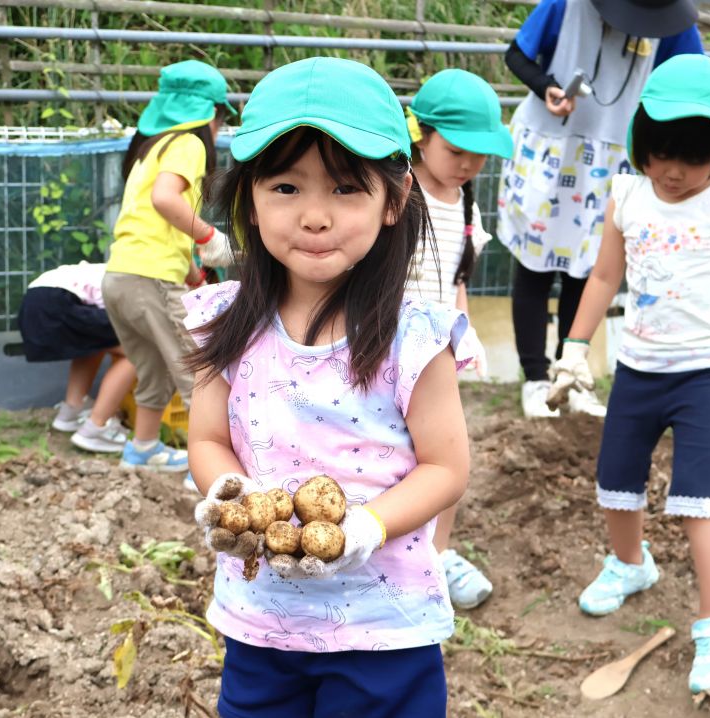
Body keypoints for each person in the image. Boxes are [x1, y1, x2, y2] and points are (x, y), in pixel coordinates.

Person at [184, 57, 472, 717]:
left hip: (384, 629)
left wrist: (365, 528)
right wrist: (236, 495)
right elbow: (205, 438)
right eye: (287, 187)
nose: (315, 216)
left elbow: (446, 467)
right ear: (249, 201)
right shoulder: (227, 324)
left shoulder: (413, 337)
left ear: (393, 200)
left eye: (345, 189)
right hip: (262, 622)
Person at [546, 55, 710, 694]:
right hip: (638, 367)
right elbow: (603, 277)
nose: (672, 171)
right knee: (616, 478)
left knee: (700, 495)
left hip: (707, 372)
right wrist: (573, 348)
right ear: (639, 138)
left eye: (692, 158)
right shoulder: (628, 195)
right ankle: (629, 564)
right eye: (659, 152)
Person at [497, 0, 703, 418]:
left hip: (611, 157)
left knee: (589, 269)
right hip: (551, 148)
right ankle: (535, 377)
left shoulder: (671, 21)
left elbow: (688, 82)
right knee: (535, 267)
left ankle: (566, 374)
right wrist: (546, 86)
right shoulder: (566, 6)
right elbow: (516, 55)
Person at [404, 68, 514, 610]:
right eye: (456, 150)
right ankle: (394, 551)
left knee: (446, 458)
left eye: (479, 155)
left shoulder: (467, 205)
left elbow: (457, 279)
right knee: (388, 453)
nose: (469, 165)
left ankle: (436, 556)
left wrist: (462, 331)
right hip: (389, 347)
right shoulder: (397, 192)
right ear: (420, 135)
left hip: (437, 353)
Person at [102, 60, 236, 473]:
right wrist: (210, 237)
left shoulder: (150, 147)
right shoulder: (189, 144)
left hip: (120, 275)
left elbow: (153, 221)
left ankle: (143, 448)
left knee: (152, 369)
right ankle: (207, 469)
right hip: (150, 275)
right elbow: (166, 200)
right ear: (211, 115)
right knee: (200, 372)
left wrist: (194, 272)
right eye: (220, 121)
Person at [17, 262, 134, 453]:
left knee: (95, 342)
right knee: (136, 353)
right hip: (58, 300)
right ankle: (96, 428)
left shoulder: (114, 268)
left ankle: (72, 410)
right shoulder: (135, 281)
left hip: (35, 300)